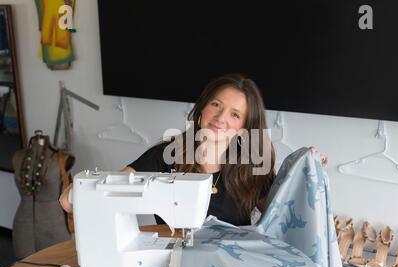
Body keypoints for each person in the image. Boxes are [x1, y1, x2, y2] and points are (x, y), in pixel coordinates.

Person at [59, 73, 328, 226]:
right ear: (201, 110)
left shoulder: (252, 165)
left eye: (235, 115)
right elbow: (112, 186)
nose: (221, 118)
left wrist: (308, 175)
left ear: (245, 127)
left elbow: (284, 214)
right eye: (216, 105)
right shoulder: (165, 156)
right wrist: (80, 193)